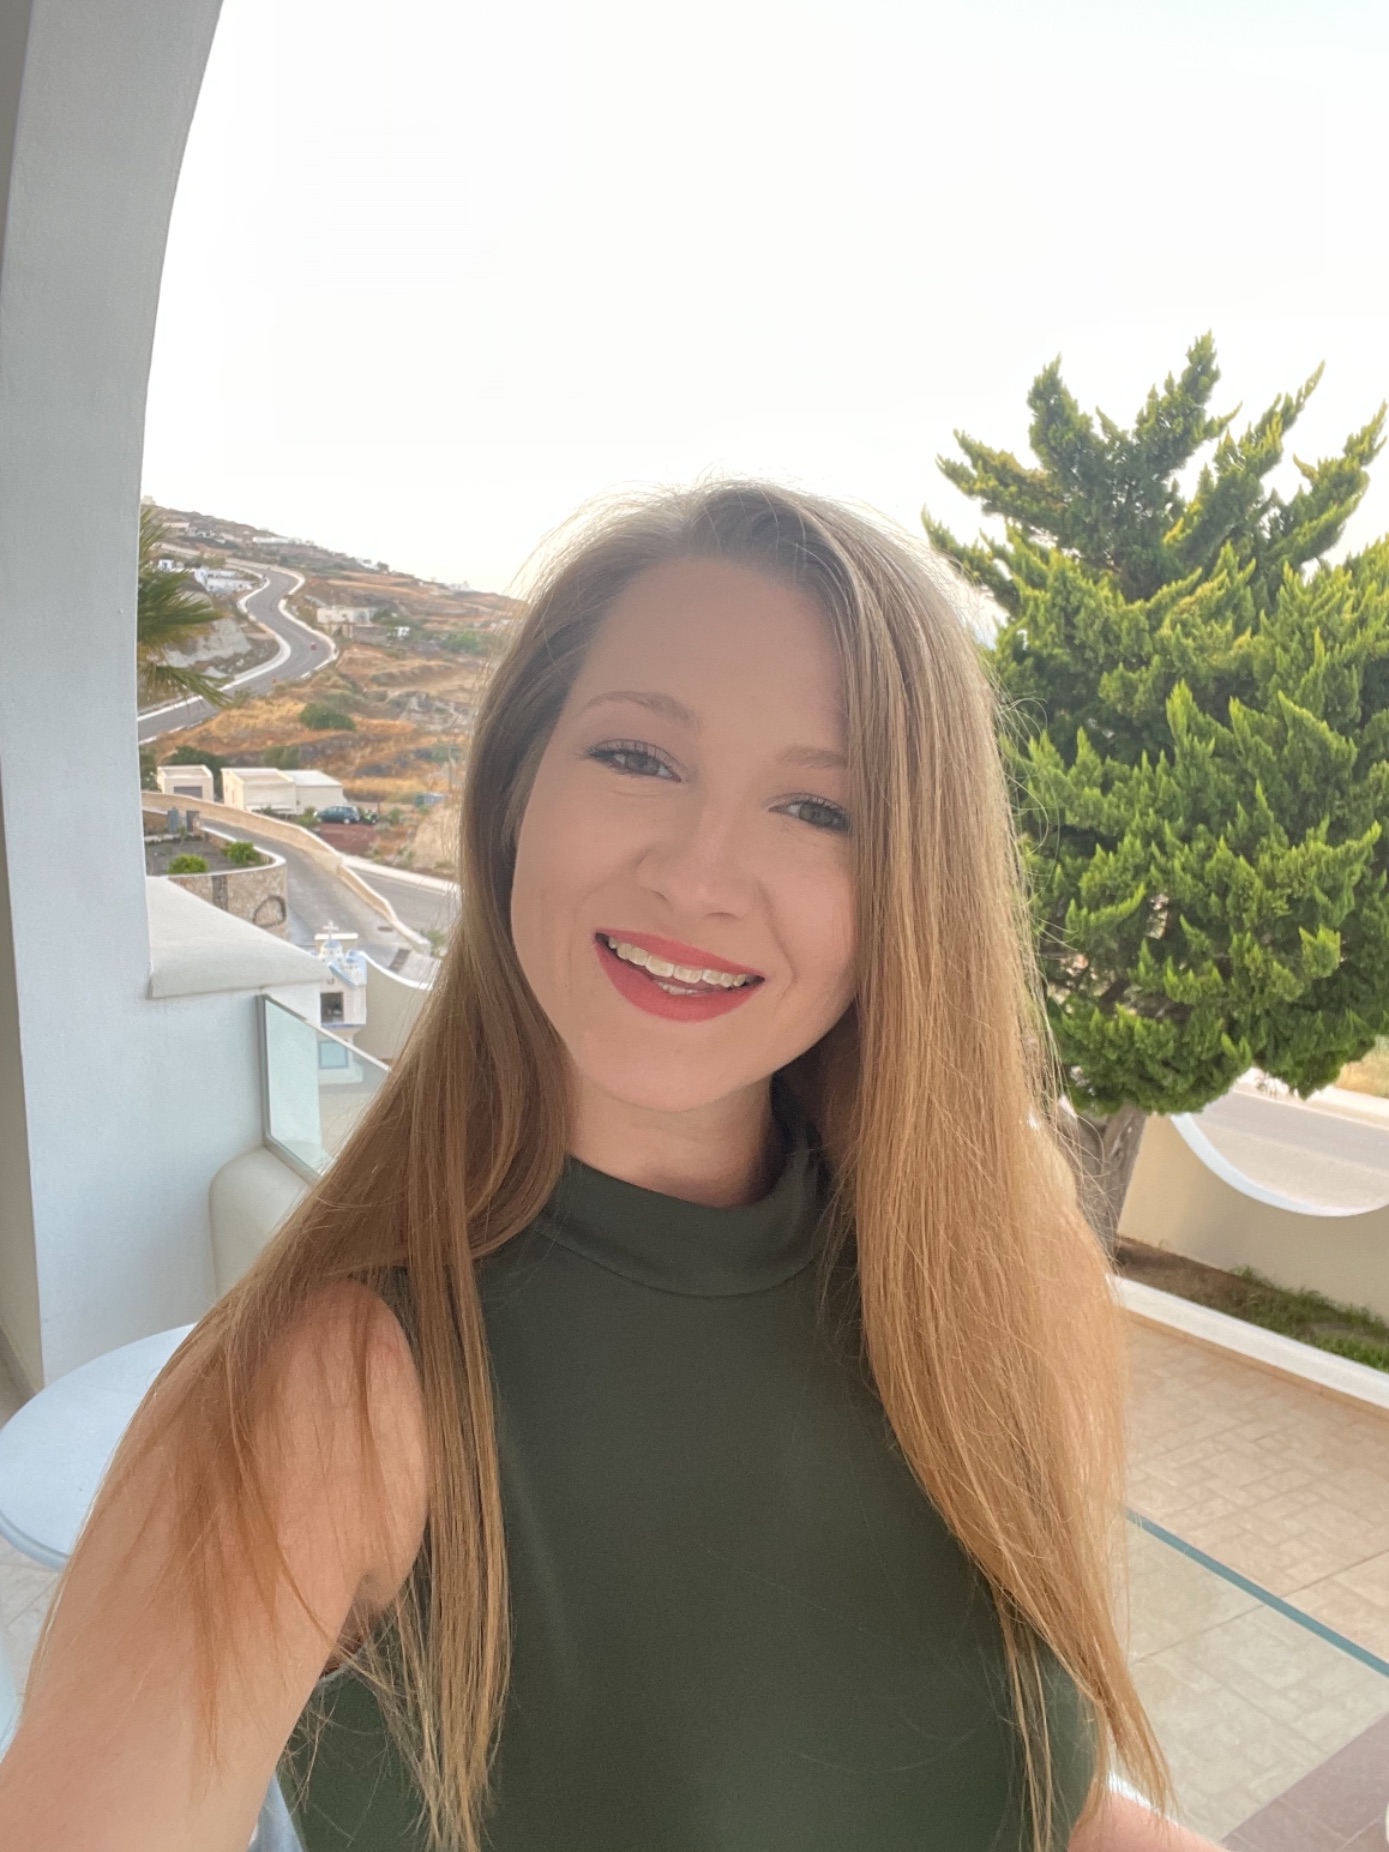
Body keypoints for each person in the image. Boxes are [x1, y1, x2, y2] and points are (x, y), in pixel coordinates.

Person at [0, 481, 1221, 1851]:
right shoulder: (323, 1395)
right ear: (514, 794)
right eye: (639, 757)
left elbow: (1046, 1810)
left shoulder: (993, 1271)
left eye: (819, 808)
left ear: (909, 888)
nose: (699, 875)